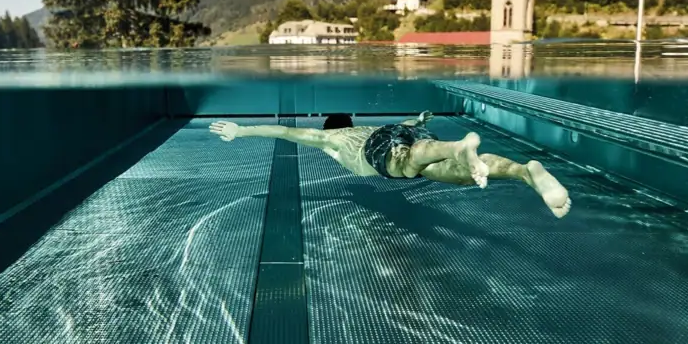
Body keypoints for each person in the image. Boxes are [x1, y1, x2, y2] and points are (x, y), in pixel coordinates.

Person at [209, 111, 571, 218]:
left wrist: (241, 130)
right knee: (447, 170)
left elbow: (286, 131)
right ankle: (526, 172)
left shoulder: (333, 139)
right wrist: (418, 119)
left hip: (381, 148)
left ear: (331, 129)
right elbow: (408, 129)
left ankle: (460, 148)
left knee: (405, 163)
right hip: (396, 130)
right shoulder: (365, 125)